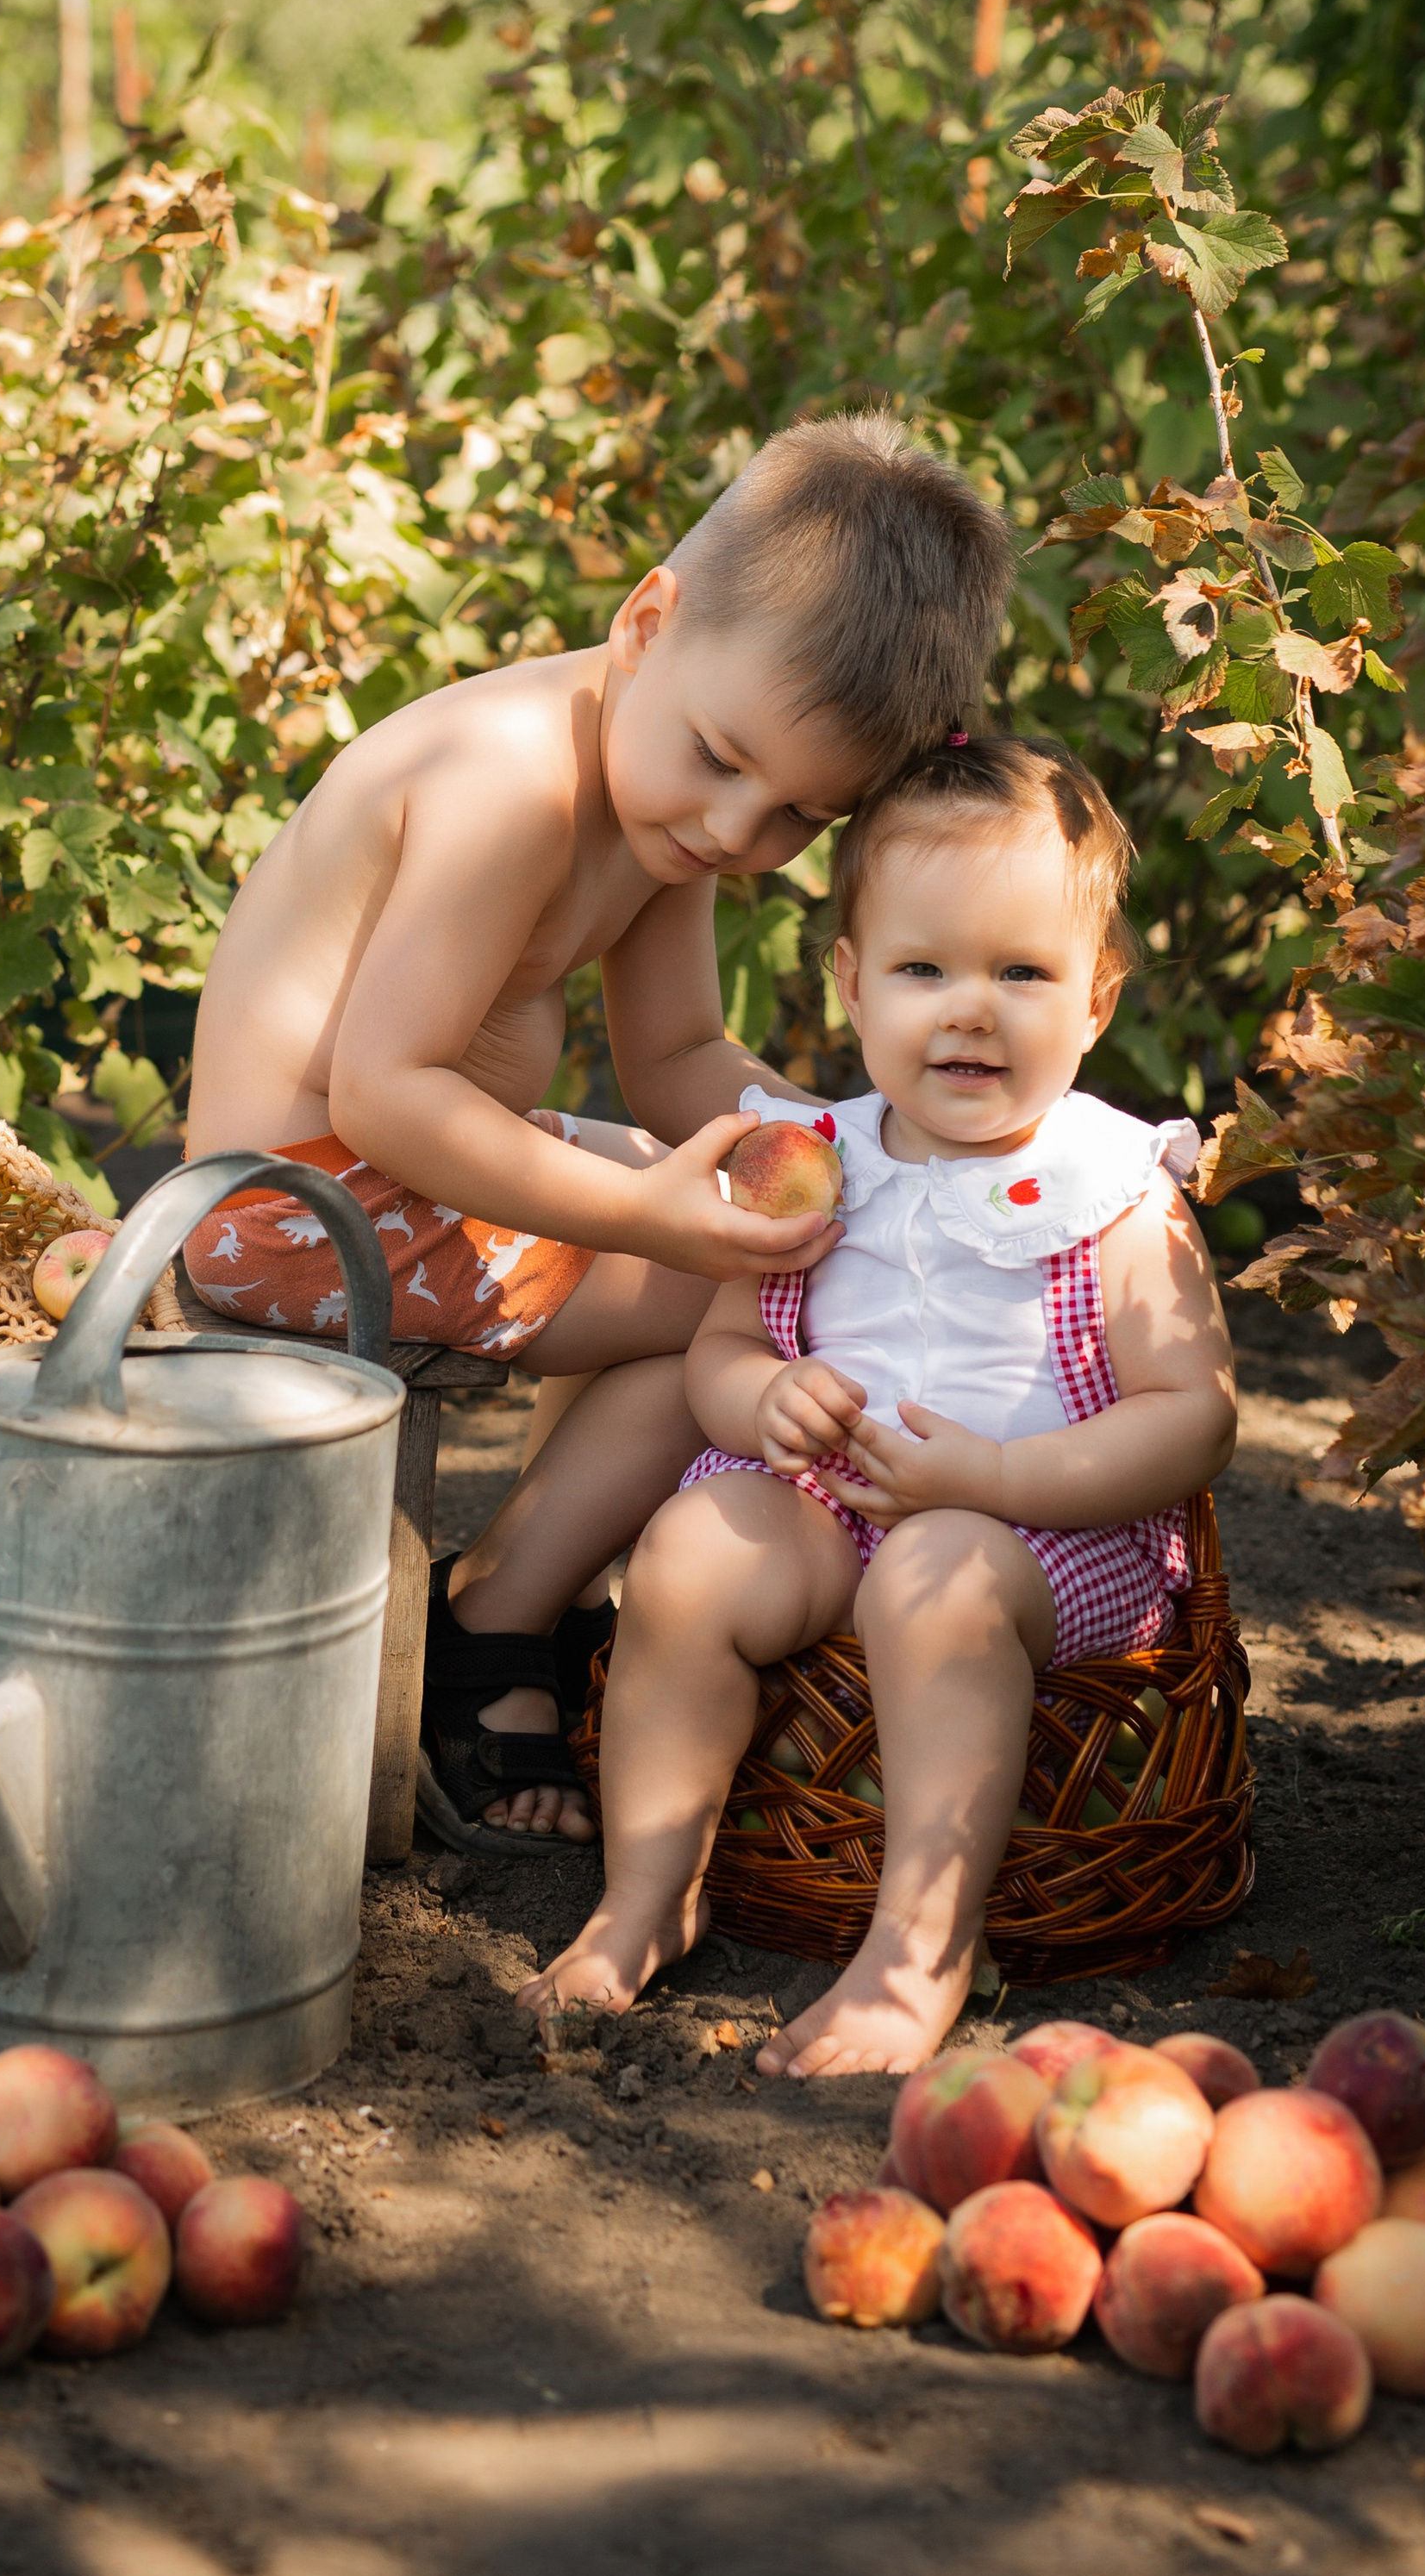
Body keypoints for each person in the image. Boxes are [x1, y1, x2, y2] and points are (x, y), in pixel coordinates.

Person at [181, 415, 1013, 1851]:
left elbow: (680, 1055)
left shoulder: (664, 804)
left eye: (798, 819)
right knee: (734, 1284)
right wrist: (649, 1218)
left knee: (782, 1240)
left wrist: (867, 1150)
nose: (740, 831)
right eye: (725, 762)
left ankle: (535, 1586)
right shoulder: (512, 778)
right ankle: (493, 1625)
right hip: (289, 1216)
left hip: (390, 1185)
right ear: (648, 622)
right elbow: (384, 1087)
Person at [520, 733, 1236, 2069]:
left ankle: (919, 1951)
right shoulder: (816, 1163)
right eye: (925, 969)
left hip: (1041, 1542)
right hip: (828, 1511)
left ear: (1098, 1000)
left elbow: (1194, 1419)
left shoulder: (1117, 1188)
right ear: (851, 982)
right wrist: (766, 1396)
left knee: (937, 1574)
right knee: (687, 1548)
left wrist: (999, 1483)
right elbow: (721, 1349)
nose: (970, 1010)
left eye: (1023, 973)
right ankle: (647, 1893)